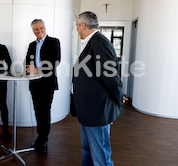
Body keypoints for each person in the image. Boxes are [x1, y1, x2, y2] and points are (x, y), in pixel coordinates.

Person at [71, 11, 128, 166]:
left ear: (83, 25)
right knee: (88, 152)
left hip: (97, 110)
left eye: (77, 26)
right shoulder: (91, 42)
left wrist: (118, 98)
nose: (76, 29)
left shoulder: (99, 43)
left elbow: (111, 76)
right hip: (88, 110)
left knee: (100, 157)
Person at [25, 19, 61, 153]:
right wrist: (28, 69)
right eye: (36, 29)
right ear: (33, 31)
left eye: (41, 28)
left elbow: (55, 61)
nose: (39, 31)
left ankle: (44, 140)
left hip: (47, 83)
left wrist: (38, 70)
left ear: (45, 28)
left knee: (45, 112)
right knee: (37, 111)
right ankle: (40, 137)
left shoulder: (54, 42)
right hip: (34, 83)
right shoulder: (31, 45)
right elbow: (27, 61)